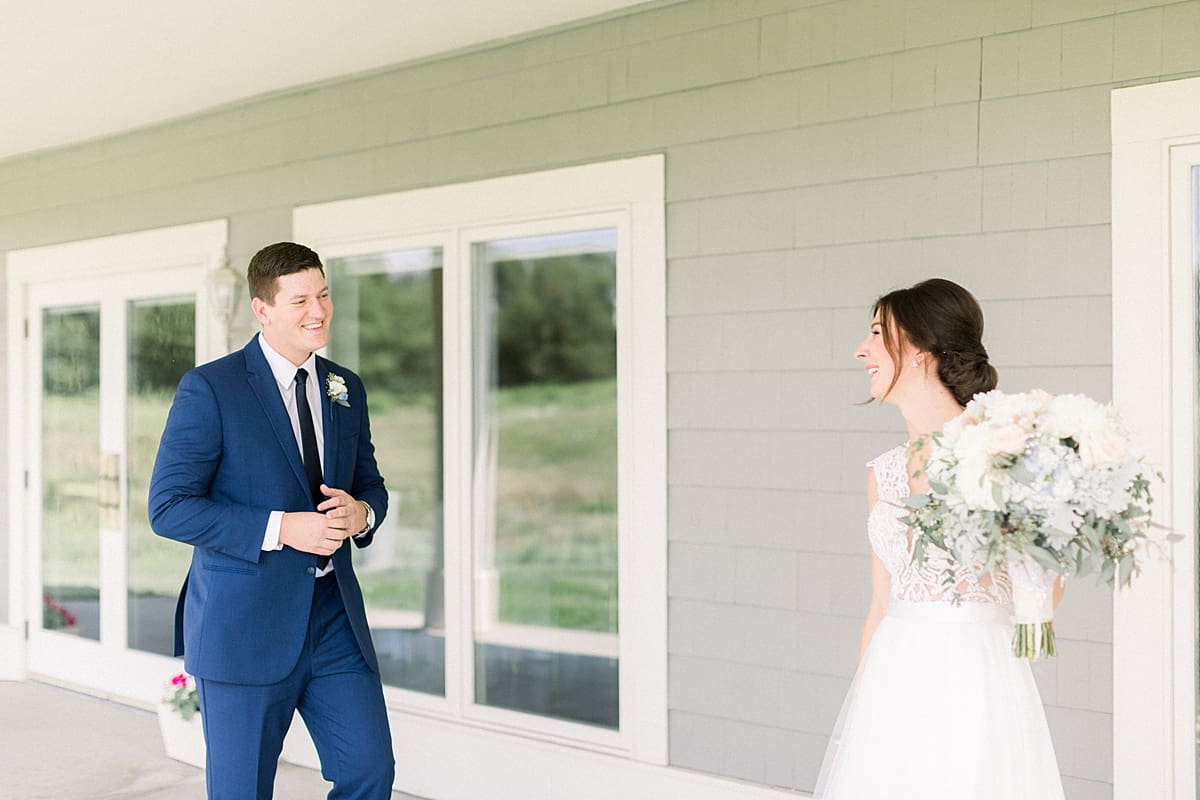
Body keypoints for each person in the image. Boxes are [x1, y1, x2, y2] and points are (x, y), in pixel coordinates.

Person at [149, 242, 395, 799]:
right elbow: (168, 507)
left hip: (333, 617)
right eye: (300, 300)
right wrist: (283, 528)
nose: (319, 311)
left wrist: (362, 514)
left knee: (370, 769)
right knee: (242, 791)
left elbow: (369, 486)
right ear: (263, 310)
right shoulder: (212, 389)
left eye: (324, 295)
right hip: (244, 625)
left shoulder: (345, 388)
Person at [813, 278, 1065, 799]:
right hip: (894, 681)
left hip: (977, 679)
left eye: (878, 333)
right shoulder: (882, 474)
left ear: (922, 349)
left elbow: (1042, 599)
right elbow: (880, 604)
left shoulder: (1006, 451)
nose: (861, 350)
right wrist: (861, 717)